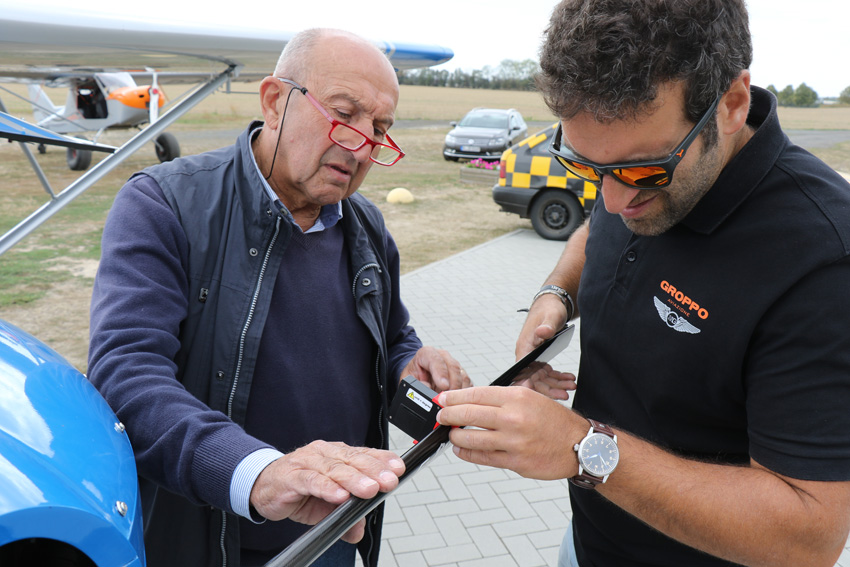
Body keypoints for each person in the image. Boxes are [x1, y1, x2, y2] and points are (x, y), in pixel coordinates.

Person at [434, 1, 850, 566]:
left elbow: (809, 537)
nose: (612, 200)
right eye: (586, 166)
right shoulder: (633, 168)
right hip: (587, 544)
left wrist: (582, 449)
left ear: (730, 104)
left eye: (642, 173)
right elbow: (597, 227)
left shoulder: (823, 260)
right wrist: (556, 293)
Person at [88, 28, 469, 567]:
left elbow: (392, 334)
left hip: (335, 533)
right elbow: (126, 373)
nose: (362, 144)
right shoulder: (164, 205)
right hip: (209, 541)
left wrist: (411, 365)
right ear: (274, 101)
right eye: (345, 112)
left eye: (380, 129)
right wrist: (255, 473)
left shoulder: (367, 226)